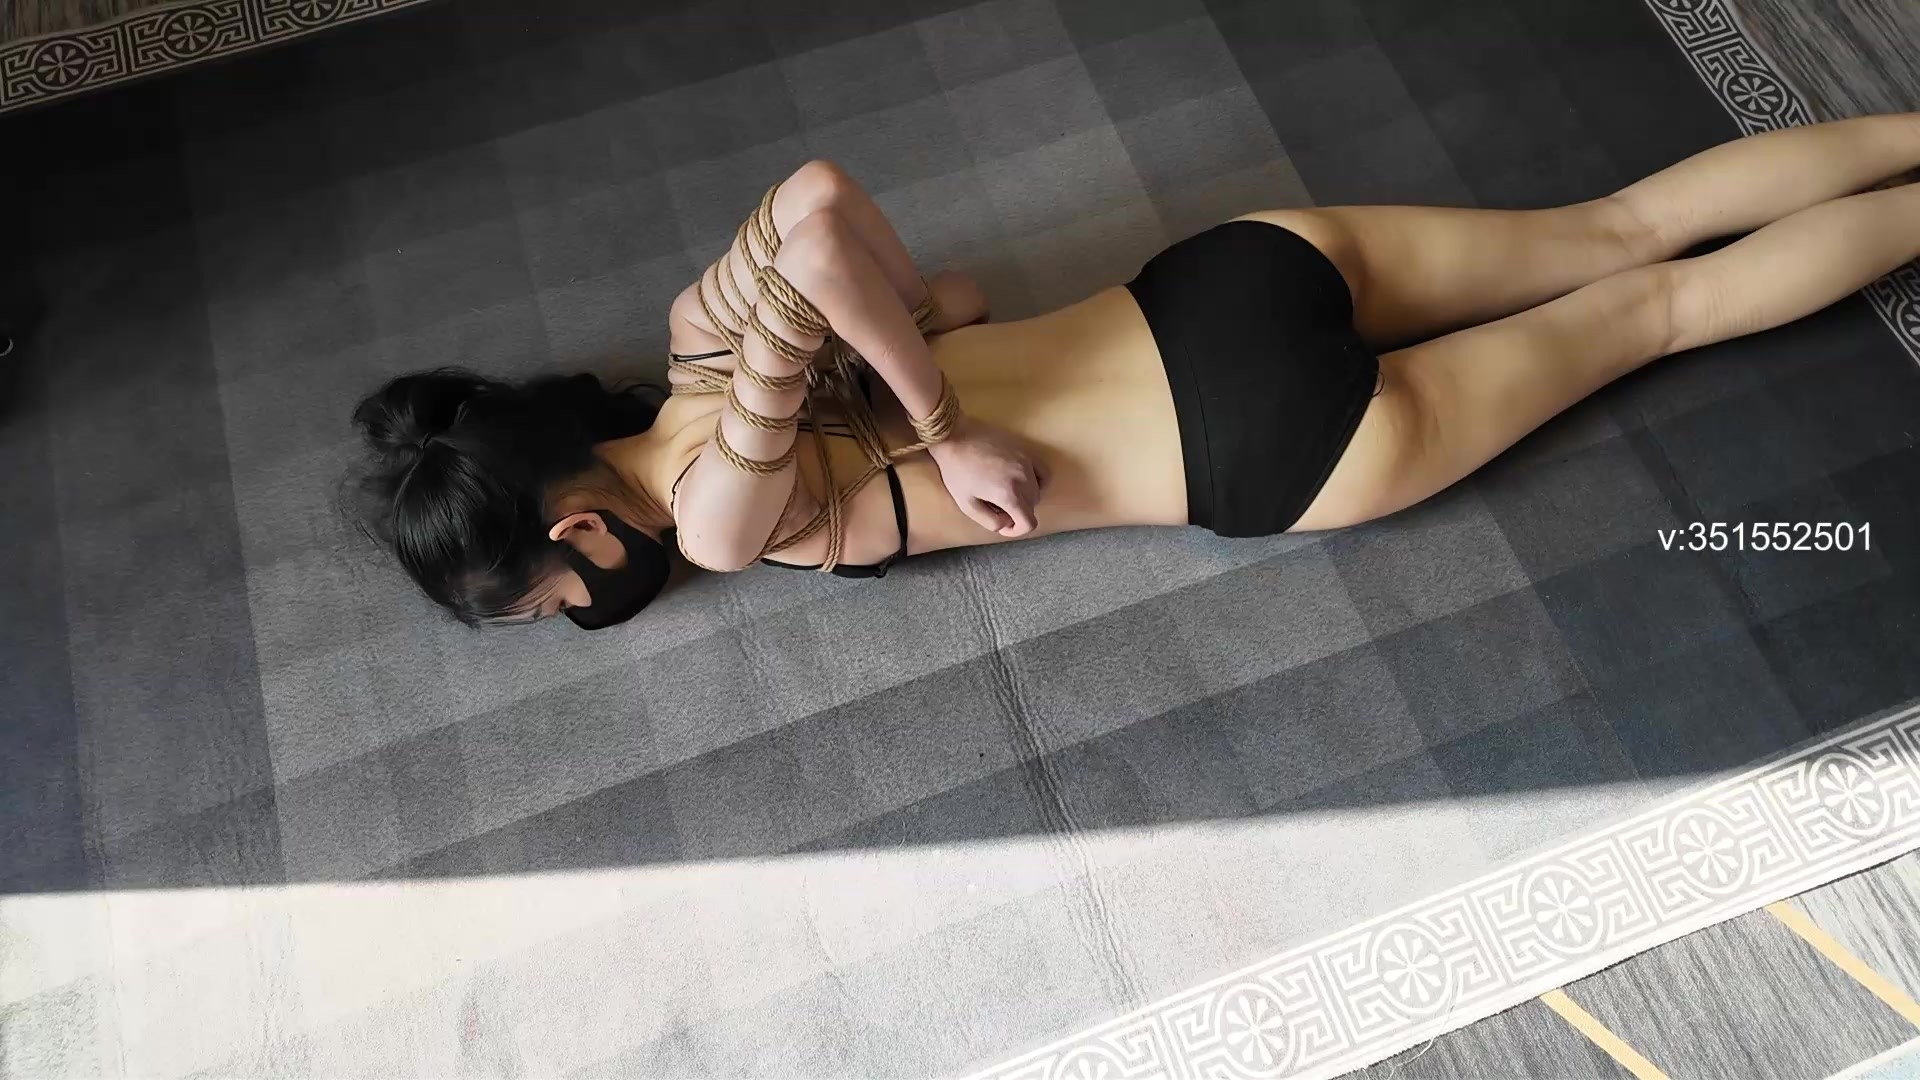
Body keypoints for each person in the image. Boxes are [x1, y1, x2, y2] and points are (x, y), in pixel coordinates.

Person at [351, 113, 1920, 630]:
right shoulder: (695, 336)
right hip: (1222, 283)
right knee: (1622, 230)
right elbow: (819, 211)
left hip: (1271, 447)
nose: (571, 618)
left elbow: (820, 263)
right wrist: (922, 319)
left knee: (1663, 314)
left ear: (573, 532)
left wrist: (945, 430)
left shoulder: (709, 522)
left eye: (540, 607)